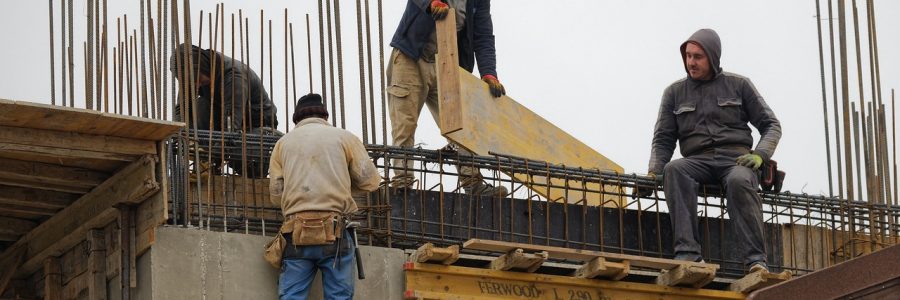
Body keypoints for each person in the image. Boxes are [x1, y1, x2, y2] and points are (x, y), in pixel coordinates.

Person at [636, 29, 781, 273]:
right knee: (674, 170)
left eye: (698, 57)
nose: (691, 62)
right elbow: (663, 139)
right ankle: (688, 254)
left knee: (739, 181)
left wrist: (760, 155)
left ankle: (756, 261)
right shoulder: (674, 93)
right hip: (698, 161)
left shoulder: (739, 85)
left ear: (713, 58)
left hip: (736, 160)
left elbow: (771, 125)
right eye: (688, 56)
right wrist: (653, 173)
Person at [387, 0, 508, 196]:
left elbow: (483, 35)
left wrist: (488, 72)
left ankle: (473, 184)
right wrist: (430, 3)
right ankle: (402, 185)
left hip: (446, 62)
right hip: (411, 58)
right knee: (404, 125)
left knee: (460, 123)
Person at [269, 93, 380, 299]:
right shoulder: (345, 137)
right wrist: (341, 182)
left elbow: (276, 195)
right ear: (324, 116)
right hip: (334, 232)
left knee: (291, 296)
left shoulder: (283, 144)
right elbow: (371, 181)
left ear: (297, 119)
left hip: (296, 232)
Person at [170, 43, 280, 177]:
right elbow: (181, 110)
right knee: (198, 107)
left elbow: (230, 128)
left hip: (256, 126)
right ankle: (209, 156)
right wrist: (186, 139)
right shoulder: (191, 77)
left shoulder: (234, 76)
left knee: (238, 152)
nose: (196, 85)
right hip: (223, 120)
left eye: (198, 79)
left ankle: (220, 162)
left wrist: (208, 159)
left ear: (203, 67)